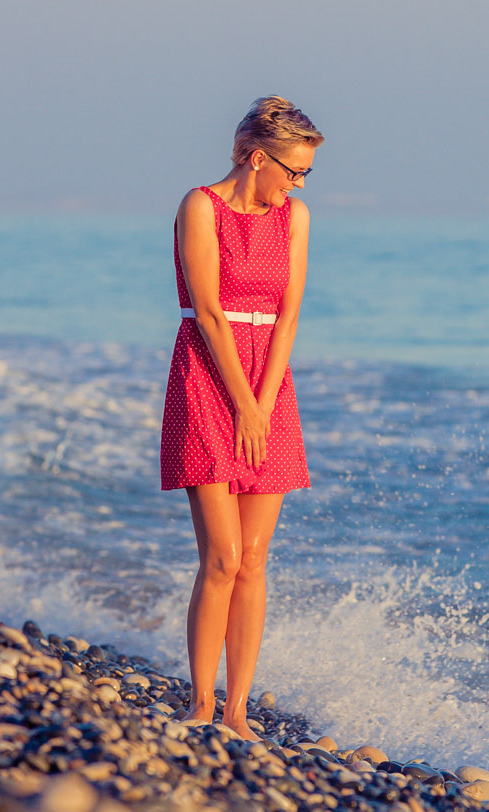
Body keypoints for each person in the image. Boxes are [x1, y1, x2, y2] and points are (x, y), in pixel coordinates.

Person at [159, 96, 322, 738]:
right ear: (259, 158)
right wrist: (243, 404)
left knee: (254, 558)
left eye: (306, 174)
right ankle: (201, 703)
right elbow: (210, 311)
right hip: (208, 372)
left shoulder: (296, 218)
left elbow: (288, 314)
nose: (298, 184)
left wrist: (266, 399)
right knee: (222, 556)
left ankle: (236, 712)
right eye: (292, 170)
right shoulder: (199, 206)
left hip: (269, 382)